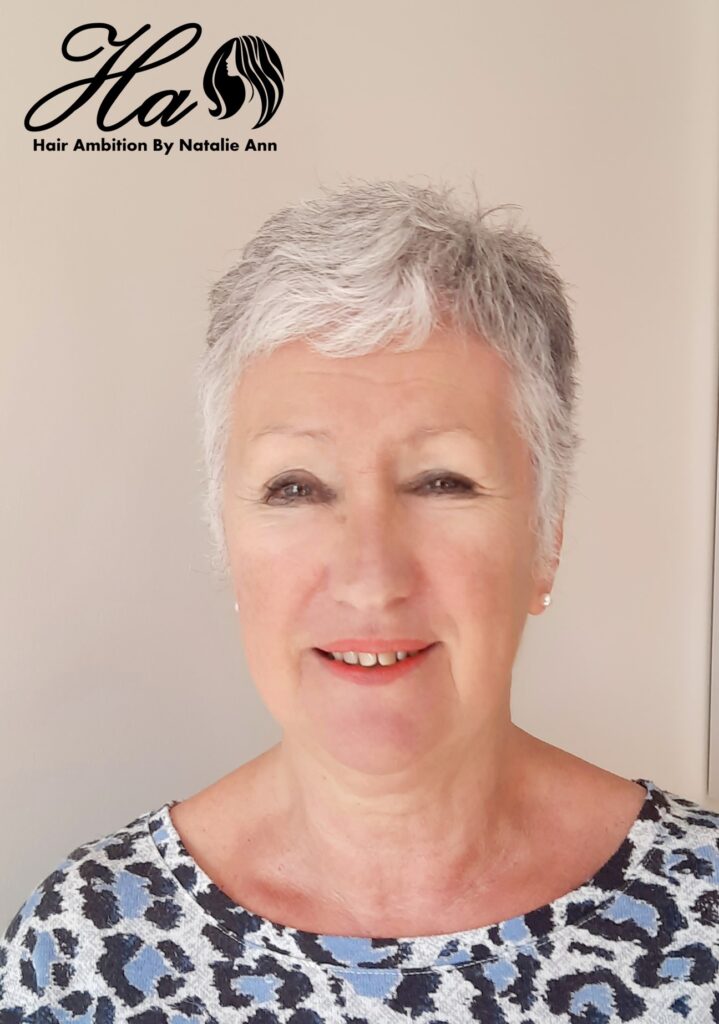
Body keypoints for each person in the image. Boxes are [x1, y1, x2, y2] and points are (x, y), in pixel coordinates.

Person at [2, 178, 718, 1022]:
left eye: (442, 481)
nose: (370, 577)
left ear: (545, 536)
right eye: (296, 488)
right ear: (225, 542)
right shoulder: (83, 945)